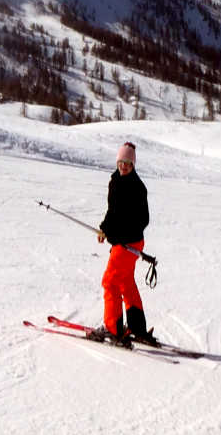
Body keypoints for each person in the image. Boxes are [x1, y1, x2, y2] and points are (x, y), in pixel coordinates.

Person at [87, 141, 155, 345]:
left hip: (131, 243)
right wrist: (104, 229)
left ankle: (113, 328)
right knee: (125, 281)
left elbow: (142, 220)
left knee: (110, 282)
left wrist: (120, 236)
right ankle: (136, 328)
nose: (123, 166)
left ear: (133, 165)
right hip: (122, 242)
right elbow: (113, 212)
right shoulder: (115, 181)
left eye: (128, 162)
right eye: (121, 162)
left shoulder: (138, 188)